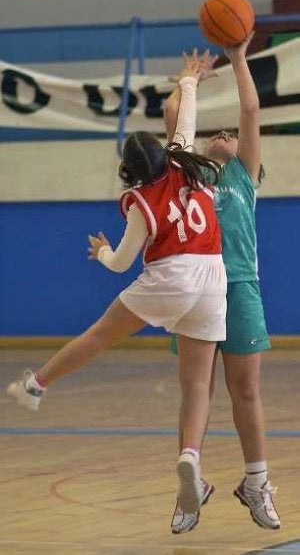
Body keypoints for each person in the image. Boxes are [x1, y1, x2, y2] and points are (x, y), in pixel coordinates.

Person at [7, 54, 227, 529]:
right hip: (212, 275)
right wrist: (188, 78)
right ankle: (190, 455)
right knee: (196, 384)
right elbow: (185, 115)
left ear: (129, 170)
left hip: (170, 278)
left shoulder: (139, 202)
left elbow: (123, 263)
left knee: (98, 336)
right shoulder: (185, 161)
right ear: (163, 152)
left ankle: (35, 384)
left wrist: (104, 253)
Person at [164, 38, 281, 533]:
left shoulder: (243, 175)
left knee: (246, 393)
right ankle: (189, 491)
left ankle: (257, 482)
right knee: (197, 390)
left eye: (232, 134)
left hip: (241, 288)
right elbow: (174, 117)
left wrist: (238, 58)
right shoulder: (192, 176)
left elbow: (251, 109)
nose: (227, 133)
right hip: (195, 288)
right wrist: (185, 78)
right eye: (220, 132)